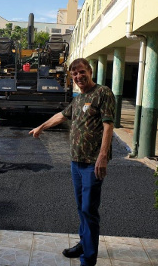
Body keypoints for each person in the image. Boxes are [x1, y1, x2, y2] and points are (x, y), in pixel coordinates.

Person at [29, 58, 115, 266]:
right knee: (81, 207)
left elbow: (108, 126)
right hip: (76, 162)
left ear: (90, 71)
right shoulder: (78, 99)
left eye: (81, 72)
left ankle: (88, 258)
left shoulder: (103, 93)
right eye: (74, 74)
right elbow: (62, 115)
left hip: (92, 162)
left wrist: (103, 156)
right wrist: (42, 126)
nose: (78, 77)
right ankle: (83, 244)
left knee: (89, 209)